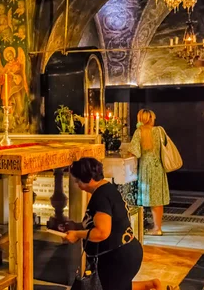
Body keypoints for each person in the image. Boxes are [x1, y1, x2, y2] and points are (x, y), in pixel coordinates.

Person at [61, 158, 164, 290]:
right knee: (115, 285)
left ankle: (150, 285)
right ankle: (150, 285)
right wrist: (76, 226)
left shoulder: (101, 197)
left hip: (119, 256)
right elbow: (96, 223)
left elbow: (101, 232)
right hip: (124, 252)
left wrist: (77, 234)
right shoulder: (107, 189)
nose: (77, 185)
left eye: (77, 181)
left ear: (88, 178)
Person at [129, 109, 170, 236]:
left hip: (146, 167)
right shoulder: (159, 131)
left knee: (150, 198)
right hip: (158, 167)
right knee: (157, 199)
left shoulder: (139, 132)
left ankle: (155, 228)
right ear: (151, 118)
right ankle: (158, 227)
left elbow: (135, 152)